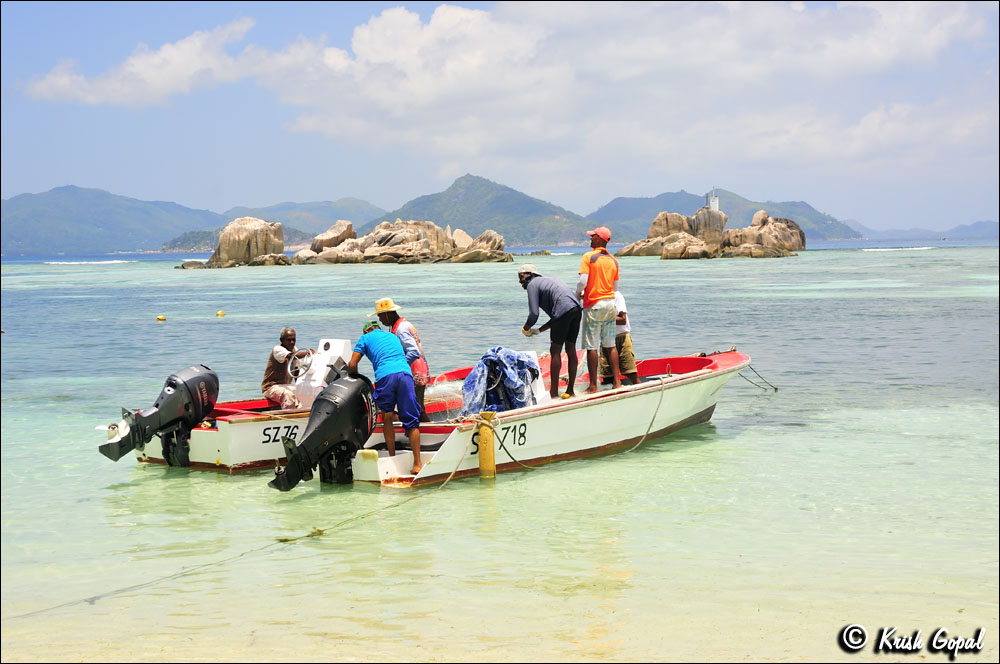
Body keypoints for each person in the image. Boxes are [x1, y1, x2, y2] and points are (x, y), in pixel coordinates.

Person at [348, 320, 423, 474]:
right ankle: (417, 464)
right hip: (404, 374)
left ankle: (392, 456)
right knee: (412, 419)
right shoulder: (392, 336)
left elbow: (352, 364)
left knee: (387, 415)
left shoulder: (365, 339)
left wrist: (354, 377)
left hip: (385, 377)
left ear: (366, 331)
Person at [518, 264, 582, 399]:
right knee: (571, 348)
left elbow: (534, 314)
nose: (520, 281)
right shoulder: (547, 282)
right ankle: (570, 391)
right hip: (576, 309)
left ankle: (553, 393)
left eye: (521, 276)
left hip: (565, 310)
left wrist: (526, 327)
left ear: (530, 274)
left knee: (555, 351)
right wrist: (539, 330)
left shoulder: (532, 285)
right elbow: (558, 316)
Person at [370, 297, 431, 422]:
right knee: (417, 406)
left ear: (387, 314)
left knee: (416, 408)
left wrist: (399, 365)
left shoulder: (400, 329)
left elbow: (414, 352)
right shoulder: (403, 325)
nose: (380, 320)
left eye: (380, 316)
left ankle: (432, 434)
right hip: (418, 369)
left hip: (414, 372)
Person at [577, 226, 621, 393]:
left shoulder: (589, 256)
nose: (591, 238)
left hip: (594, 304)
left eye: (593, 236)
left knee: (591, 346)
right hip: (610, 304)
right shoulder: (613, 260)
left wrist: (578, 294)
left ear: (599, 239)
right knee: (610, 345)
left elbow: (583, 281)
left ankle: (593, 386)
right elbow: (615, 287)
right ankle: (617, 383)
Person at [261, 327, 313, 409]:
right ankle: (290, 416)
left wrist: (300, 386)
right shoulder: (278, 349)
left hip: (286, 385)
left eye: (294, 340)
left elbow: (296, 371)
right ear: (281, 340)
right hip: (271, 387)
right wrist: (307, 353)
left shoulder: (294, 349)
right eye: (289, 340)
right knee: (288, 395)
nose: (292, 342)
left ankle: (304, 414)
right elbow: (291, 356)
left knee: (306, 392)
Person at [599, 290, 640, 385]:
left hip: (622, 338)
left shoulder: (616, 295)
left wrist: (602, 318)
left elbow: (623, 320)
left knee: (630, 372)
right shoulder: (596, 296)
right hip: (606, 338)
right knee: (607, 377)